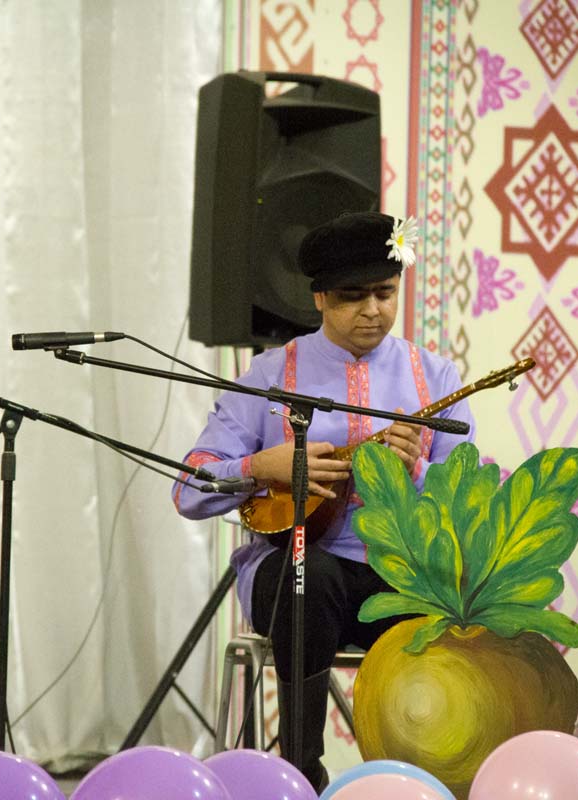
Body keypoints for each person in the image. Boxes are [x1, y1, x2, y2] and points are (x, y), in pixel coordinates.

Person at [173, 211, 474, 790]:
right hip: (294, 577)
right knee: (311, 576)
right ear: (318, 298)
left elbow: (471, 498)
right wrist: (259, 467)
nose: (372, 310)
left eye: (385, 293)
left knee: (448, 609)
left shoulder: (435, 377)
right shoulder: (267, 376)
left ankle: (413, 783)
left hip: (400, 573)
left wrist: (416, 474)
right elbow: (189, 488)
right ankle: (298, 776)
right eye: (351, 297)